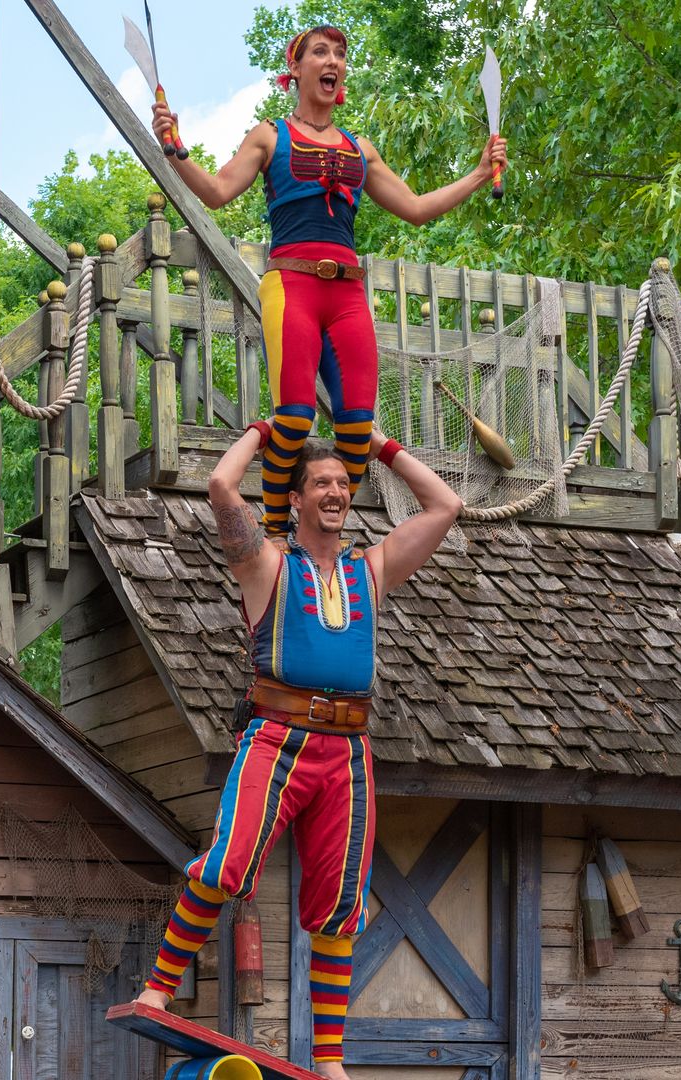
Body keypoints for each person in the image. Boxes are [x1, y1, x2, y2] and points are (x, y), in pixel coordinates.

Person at [132, 429, 462, 1079]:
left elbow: (445, 507)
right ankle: (158, 987)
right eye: (322, 483)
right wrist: (261, 433)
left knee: (340, 904)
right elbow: (223, 487)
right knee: (228, 865)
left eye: (343, 482)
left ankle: (330, 1060)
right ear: (296, 497)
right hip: (278, 738)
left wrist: (382, 446)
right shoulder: (266, 564)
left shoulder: (373, 568)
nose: (336, 491)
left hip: (348, 751)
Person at [150, 24, 507, 538]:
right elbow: (217, 191)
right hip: (292, 286)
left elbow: (416, 209)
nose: (333, 60)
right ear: (295, 69)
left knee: (358, 430)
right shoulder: (269, 135)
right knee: (294, 419)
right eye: (320, 51)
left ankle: (323, 530)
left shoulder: (361, 149)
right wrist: (173, 146)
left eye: (339, 53)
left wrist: (477, 174)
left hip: (346, 294)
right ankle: (275, 532)